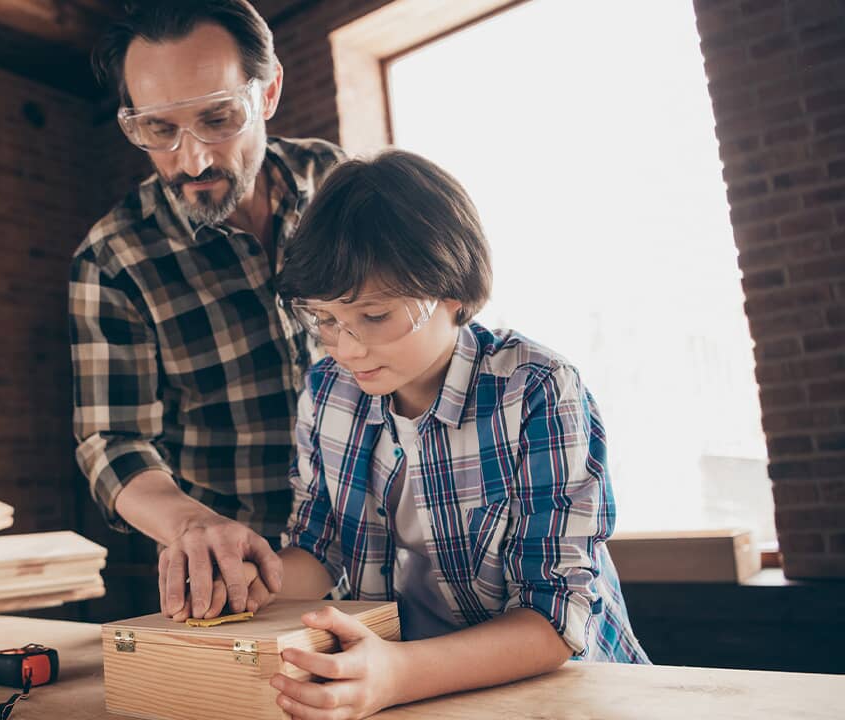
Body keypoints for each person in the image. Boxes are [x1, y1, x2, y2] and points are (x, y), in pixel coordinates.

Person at [262, 149, 649, 719]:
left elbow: (555, 620)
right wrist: (252, 577)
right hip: (403, 691)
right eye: (323, 320)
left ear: (455, 295)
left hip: (565, 693)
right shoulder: (328, 391)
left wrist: (395, 673)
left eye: (374, 317)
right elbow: (321, 549)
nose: (346, 348)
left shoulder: (534, 389)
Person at [70, 0, 345, 621]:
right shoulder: (113, 257)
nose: (191, 161)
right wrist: (192, 524)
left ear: (268, 91)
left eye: (218, 119)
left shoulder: (337, 183)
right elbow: (113, 441)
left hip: (393, 548)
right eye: (159, 130)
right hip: (241, 587)